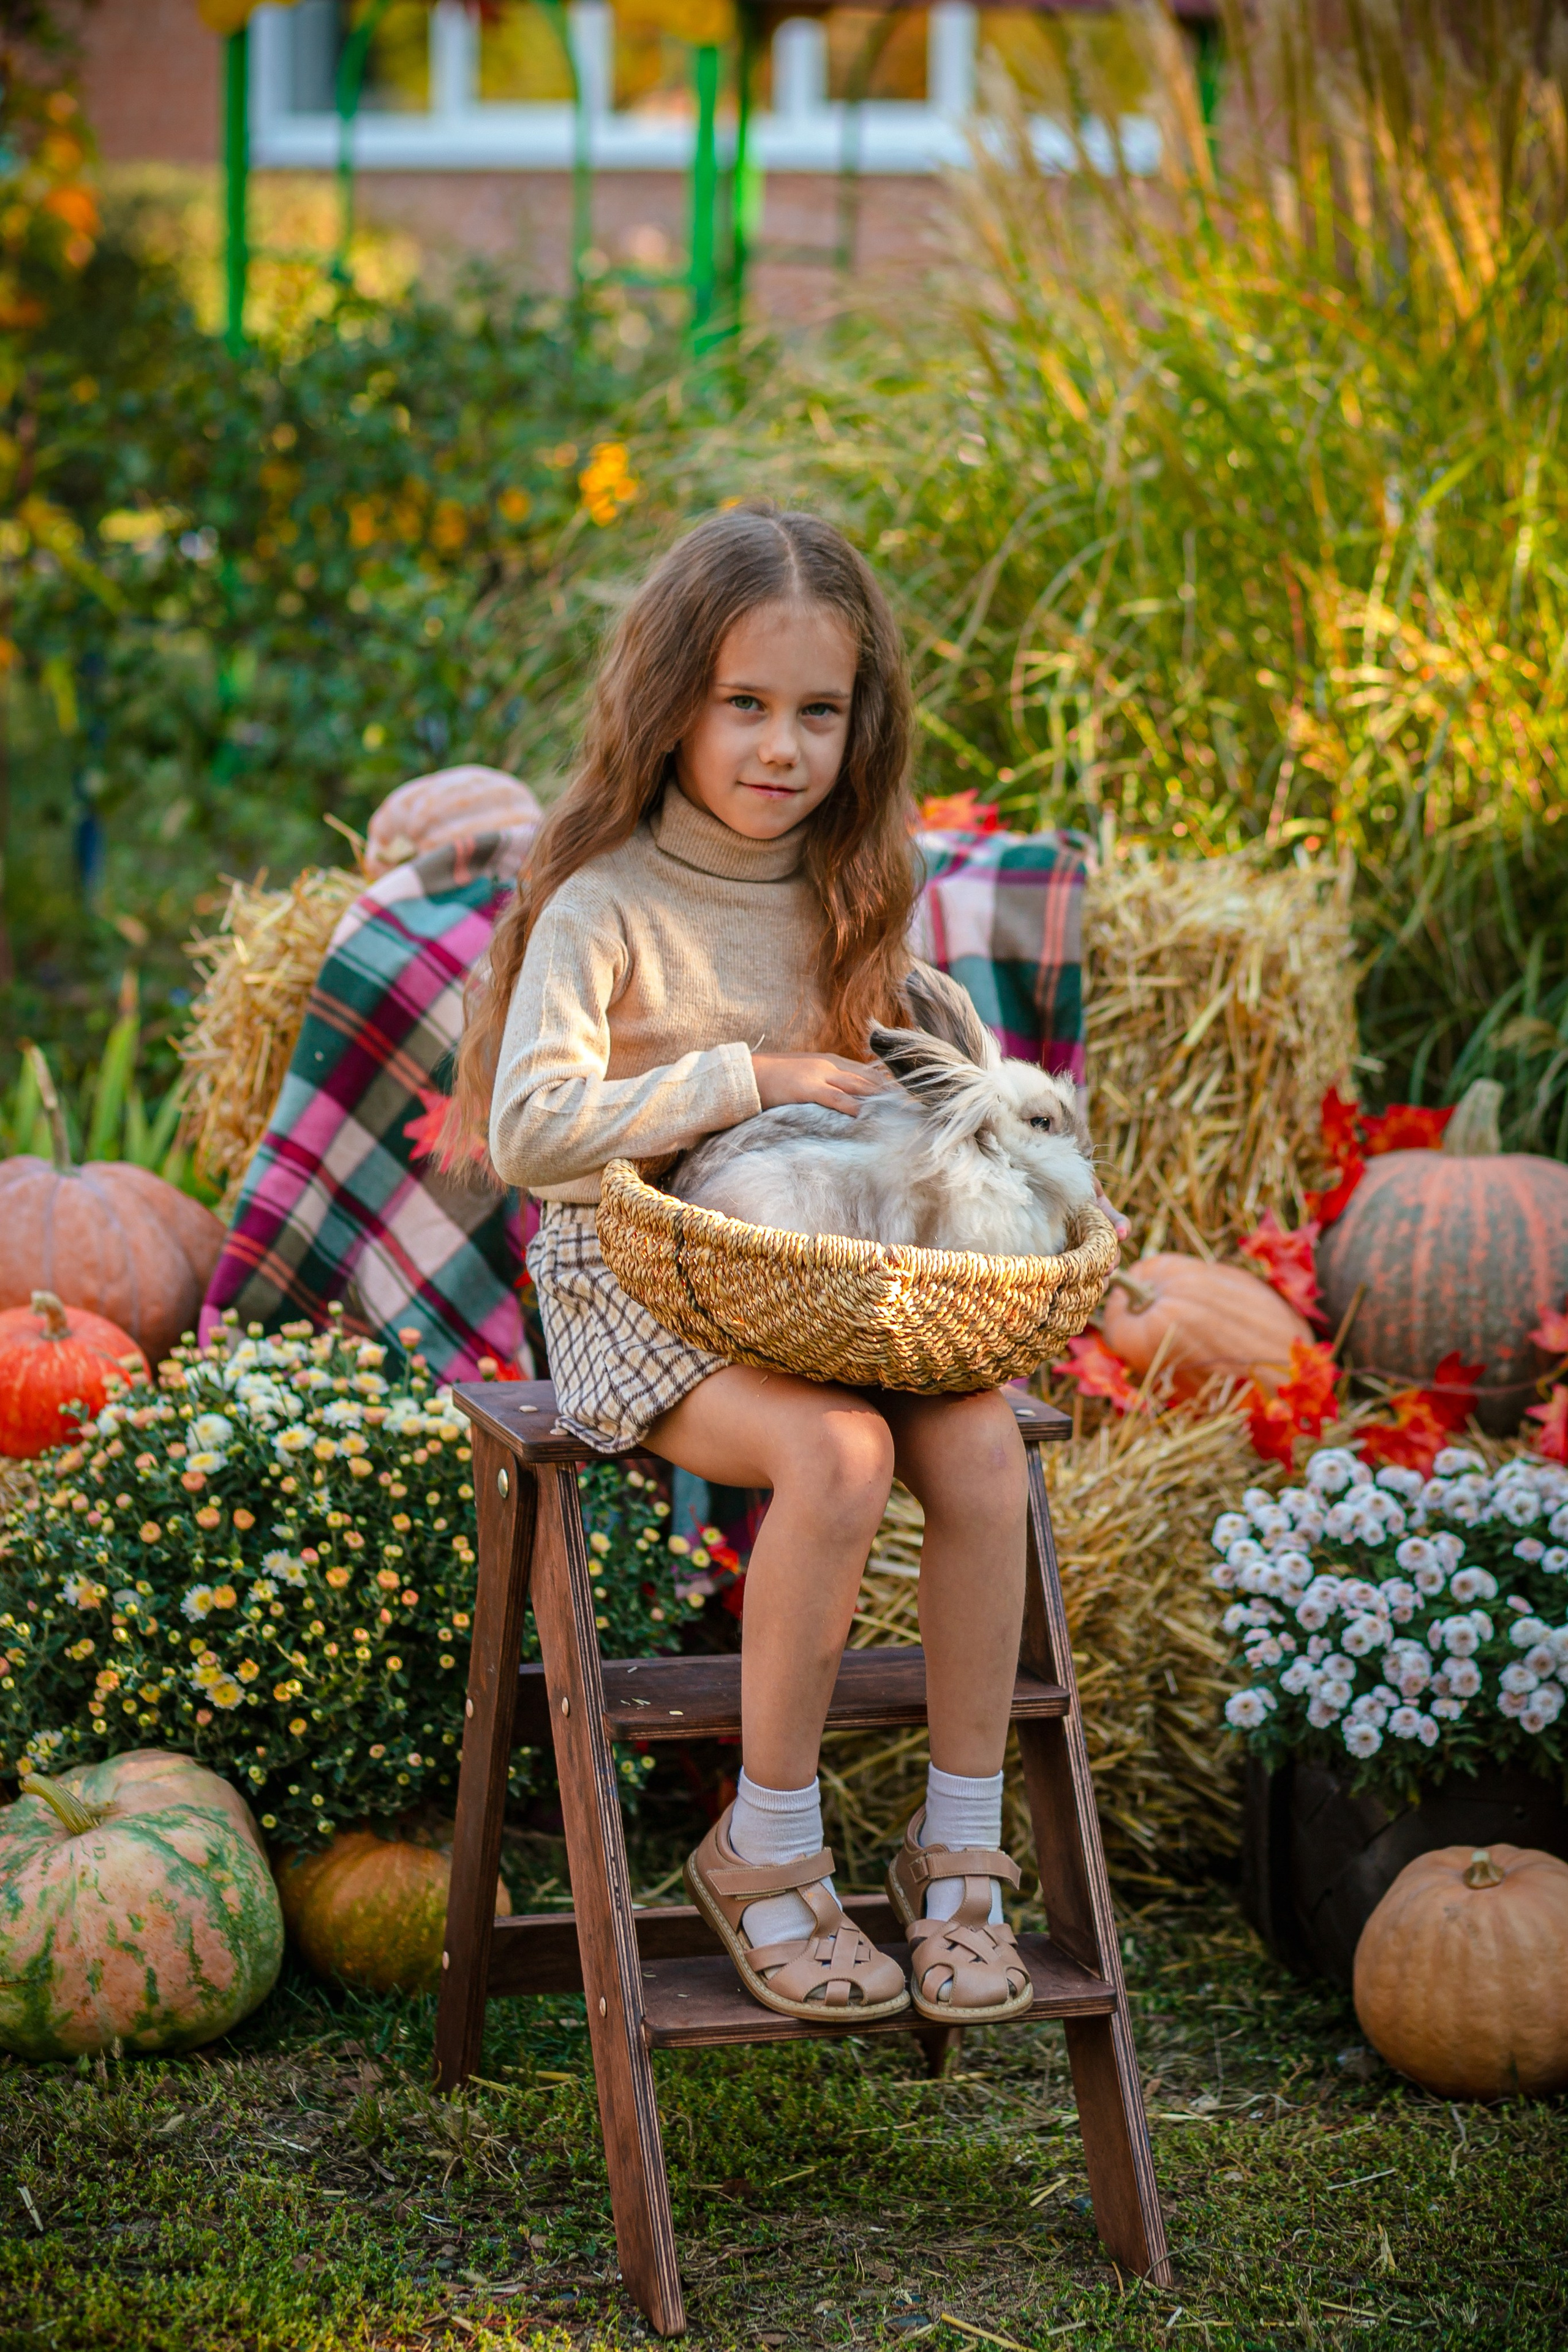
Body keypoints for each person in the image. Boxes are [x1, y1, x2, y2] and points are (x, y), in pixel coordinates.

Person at [449, 503, 1065, 2025]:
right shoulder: (602, 904)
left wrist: (964, 1106)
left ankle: (959, 1846)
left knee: (982, 1452)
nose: (781, 746)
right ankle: (763, 1843)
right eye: (743, 704)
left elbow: (901, 1076)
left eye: (817, 710)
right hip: (633, 1274)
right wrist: (754, 1074)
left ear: (861, 723)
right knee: (842, 1458)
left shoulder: (854, 889)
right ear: (670, 702)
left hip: (820, 1265)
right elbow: (530, 1133)